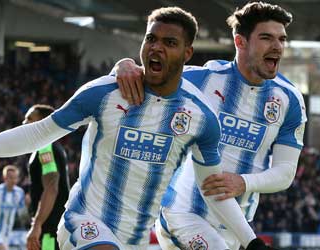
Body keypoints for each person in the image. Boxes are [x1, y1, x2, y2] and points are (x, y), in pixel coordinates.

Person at [0, 6, 272, 250]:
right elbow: (39, 133)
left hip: (134, 238)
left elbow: (213, 188)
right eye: (151, 39)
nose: (156, 48)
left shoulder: (200, 117)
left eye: (169, 42)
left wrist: (250, 241)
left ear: (187, 53)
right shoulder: (105, 93)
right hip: (84, 221)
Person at [113, 2, 307, 250]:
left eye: (282, 39)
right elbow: (135, 77)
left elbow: (285, 173)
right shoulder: (202, 80)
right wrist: (123, 65)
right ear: (240, 42)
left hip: (236, 225)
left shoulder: (289, 100)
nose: (277, 46)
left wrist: (243, 182)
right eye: (267, 38)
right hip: (183, 213)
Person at [23, 104, 70, 250]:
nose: (23, 123)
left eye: (29, 118)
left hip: (50, 230)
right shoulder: (44, 147)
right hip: (50, 227)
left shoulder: (45, 148)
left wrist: (37, 225)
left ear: (43, 121)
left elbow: (51, 188)